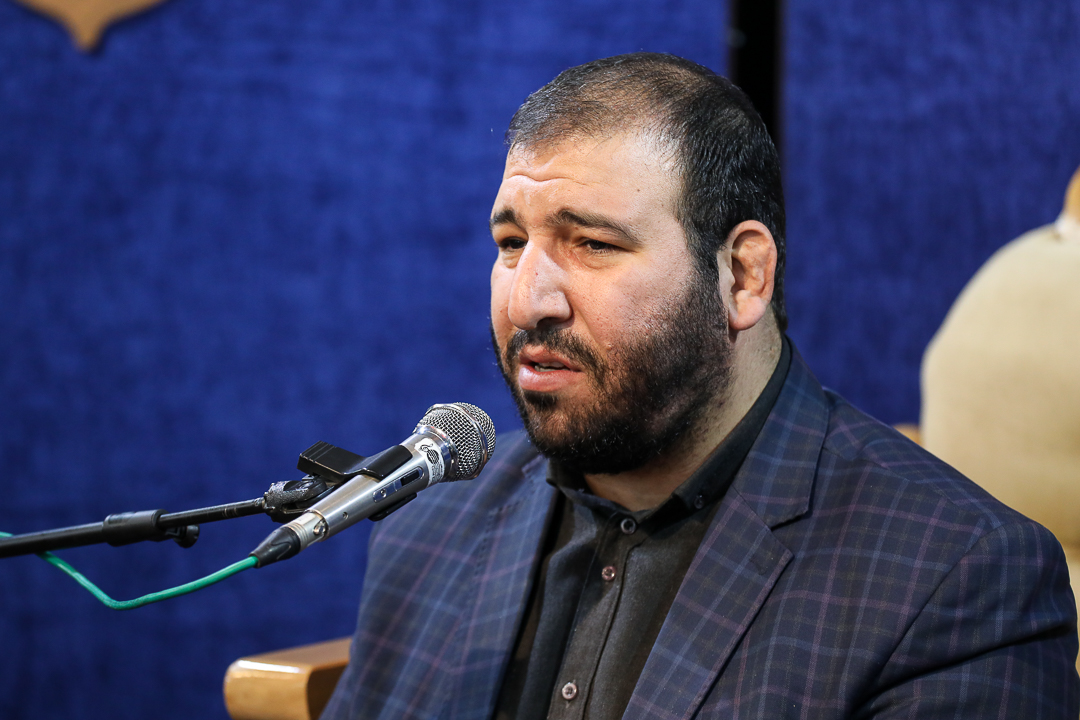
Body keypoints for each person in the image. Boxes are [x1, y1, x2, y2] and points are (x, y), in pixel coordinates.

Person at [320, 53, 1078, 719]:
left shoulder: (954, 578)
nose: (526, 301)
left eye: (593, 244)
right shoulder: (431, 525)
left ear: (743, 276)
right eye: (512, 243)